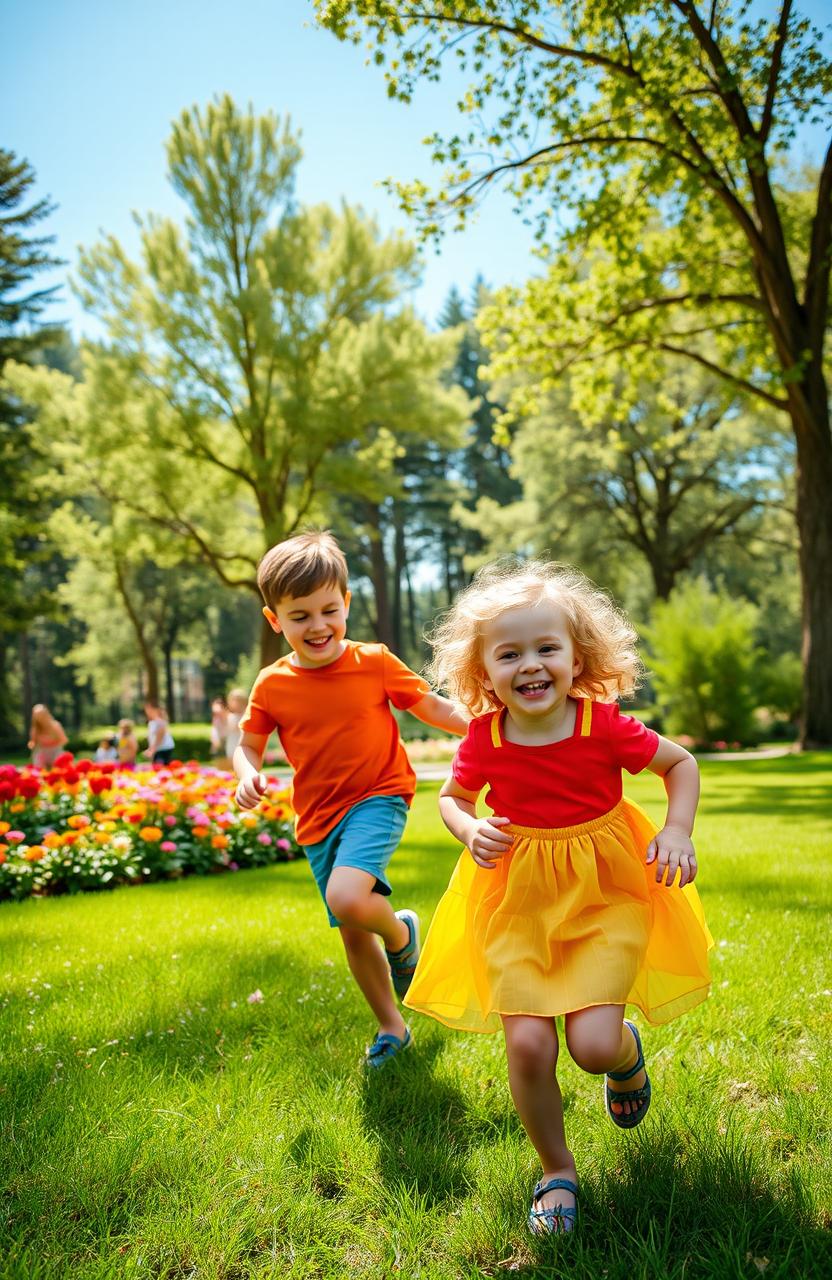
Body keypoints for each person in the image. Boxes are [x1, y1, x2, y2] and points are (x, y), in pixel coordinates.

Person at [405, 560, 712, 1235]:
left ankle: (623, 1056)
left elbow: (679, 763)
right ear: (484, 673)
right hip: (517, 903)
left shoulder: (601, 727)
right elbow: (451, 798)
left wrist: (678, 830)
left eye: (547, 648)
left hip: (604, 893)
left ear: (579, 657)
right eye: (509, 654)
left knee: (592, 1046)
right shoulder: (484, 739)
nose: (531, 665)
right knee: (530, 1047)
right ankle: (556, 1170)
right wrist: (469, 827)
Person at [233, 530, 467, 1068]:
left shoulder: (374, 662)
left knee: (347, 898)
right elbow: (247, 744)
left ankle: (401, 933)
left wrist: (480, 723)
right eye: (300, 616)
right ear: (275, 620)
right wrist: (246, 773)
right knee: (353, 933)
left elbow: (429, 707)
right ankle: (392, 1027)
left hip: (378, 796)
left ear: (347, 603)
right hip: (317, 819)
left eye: (328, 610)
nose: (317, 626)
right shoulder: (271, 685)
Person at [28, 704, 68, 769]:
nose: (40, 718)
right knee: (38, 760)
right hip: (42, 752)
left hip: (56, 751)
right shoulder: (35, 729)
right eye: (38, 716)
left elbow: (64, 740)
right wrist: (31, 744)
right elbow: (32, 742)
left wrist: (52, 744)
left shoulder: (55, 725)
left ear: (46, 714)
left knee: (59, 765)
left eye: (42, 715)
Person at [143, 701, 175, 766]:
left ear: (155, 709)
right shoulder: (153, 722)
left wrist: (152, 750)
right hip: (158, 749)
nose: (146, 711)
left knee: (160, 768)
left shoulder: (159, 722)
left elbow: (160, 737)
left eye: (148, 709)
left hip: (163, 749)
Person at [223, 687, 248, 765]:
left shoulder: (247, 715)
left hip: (245, 744)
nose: (235, 703)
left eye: (238, 700)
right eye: (233, 700)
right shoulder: (229, 716)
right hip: (232, 743)